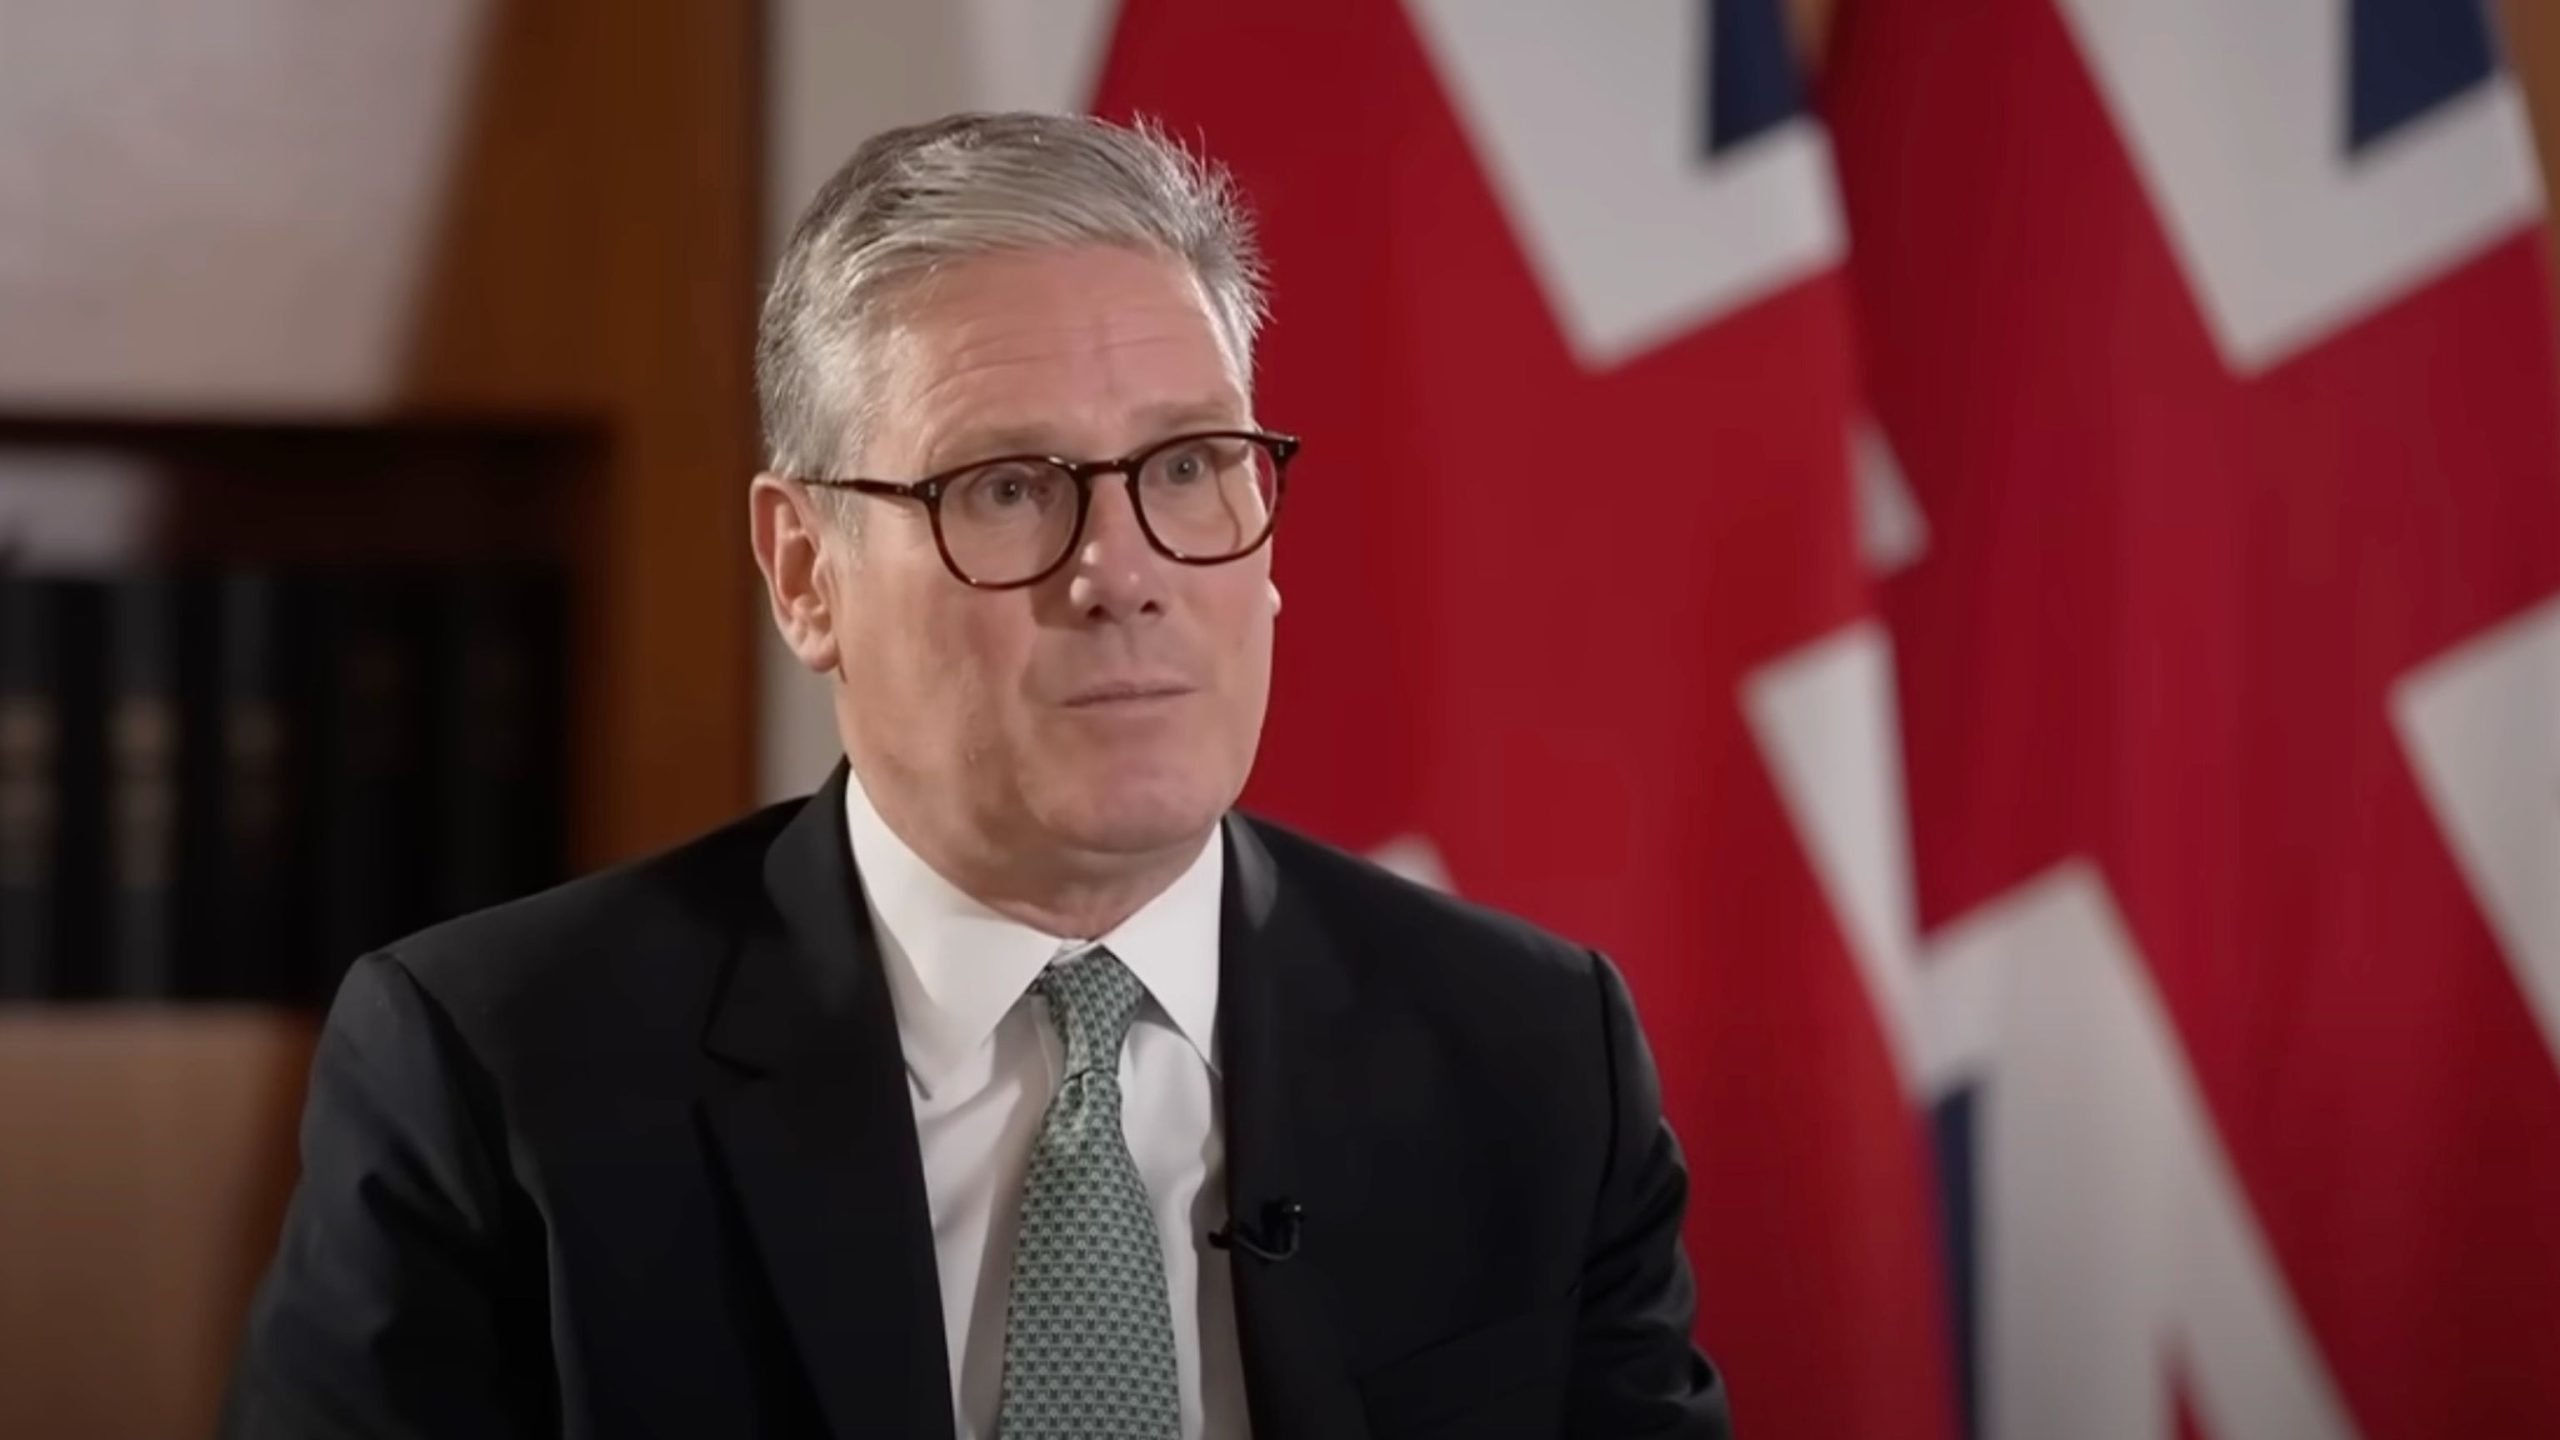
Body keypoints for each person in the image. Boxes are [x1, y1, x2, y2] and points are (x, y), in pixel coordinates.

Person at [222, 111, 1730, 1439]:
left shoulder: (1533, 1057)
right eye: (1008, 489)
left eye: (1192, 466)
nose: (1121, 572)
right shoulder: (496, 1074)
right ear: (805, 572)